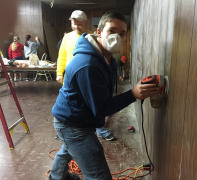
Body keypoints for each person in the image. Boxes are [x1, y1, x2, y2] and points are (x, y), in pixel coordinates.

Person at [49, 11, 162, 180]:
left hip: (76, 117)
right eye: (112, 31)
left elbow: (101, 98)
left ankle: (56, 176)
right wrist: (133, 94)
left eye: (122, 33)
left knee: (67, 149)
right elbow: (101, 108)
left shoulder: (108, 59)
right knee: (98, 174)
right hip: (71, 124)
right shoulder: (88, 65)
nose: (117, 37)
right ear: (99, 32)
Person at [56, 10, 114, 141]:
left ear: (85, 23)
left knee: (96, 103)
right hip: (72, 79)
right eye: (74, 23)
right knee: (72, 104)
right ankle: (66, 128)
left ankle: (101, 129)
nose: (76, 26)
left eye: (79, 24)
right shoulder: (67, 37)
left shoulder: (91, 38)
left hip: (88, 78)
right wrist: (59, 73)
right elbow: (62, 57)